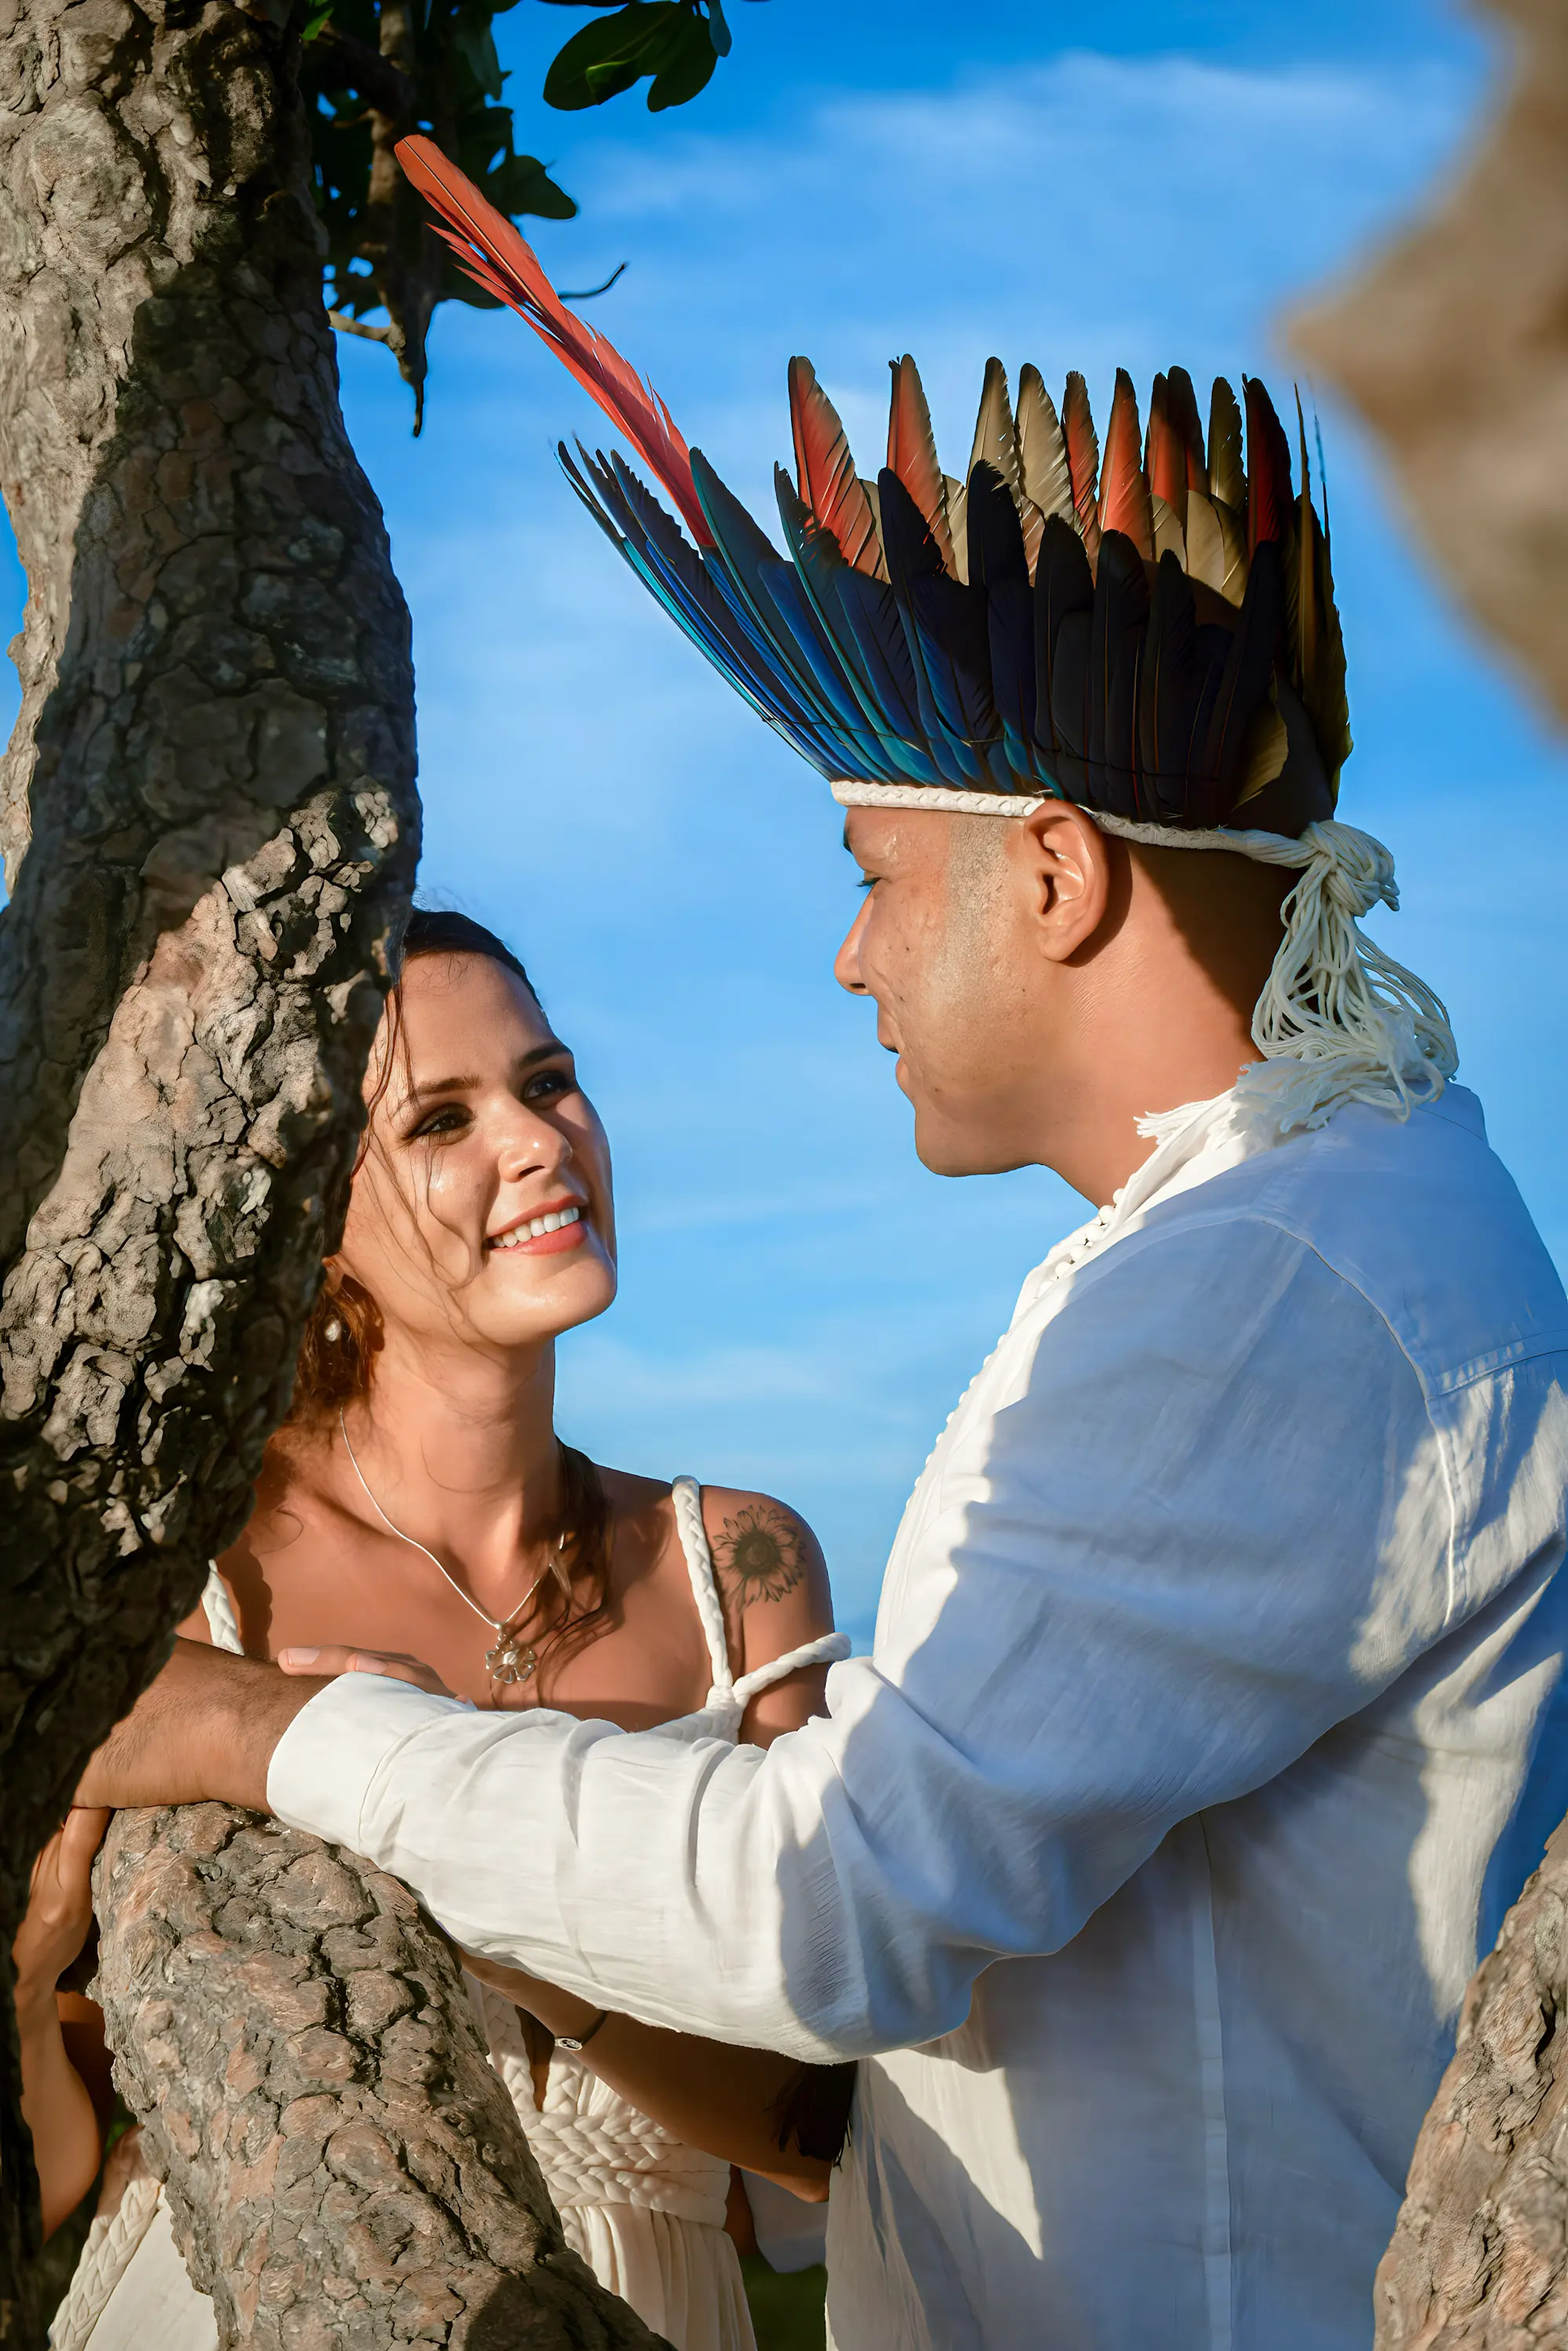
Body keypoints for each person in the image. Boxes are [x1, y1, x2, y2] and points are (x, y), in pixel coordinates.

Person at [78, 144, 1568, 2351]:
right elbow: (922, 2053)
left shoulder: (1263, 1282)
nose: (852, 954)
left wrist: (268, 1732)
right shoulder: (1290, 1236)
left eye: (881, 867)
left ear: (1052, 877)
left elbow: (835, 1905)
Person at [33, 909, 851, 2351]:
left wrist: (462, 1841)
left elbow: (812, 2131)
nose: (539, 1142)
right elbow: (57, 2155)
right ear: (312, 1214)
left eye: (547, 1082)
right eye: (441, 1119)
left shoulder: (740, 1564)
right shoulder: (184, 1571)